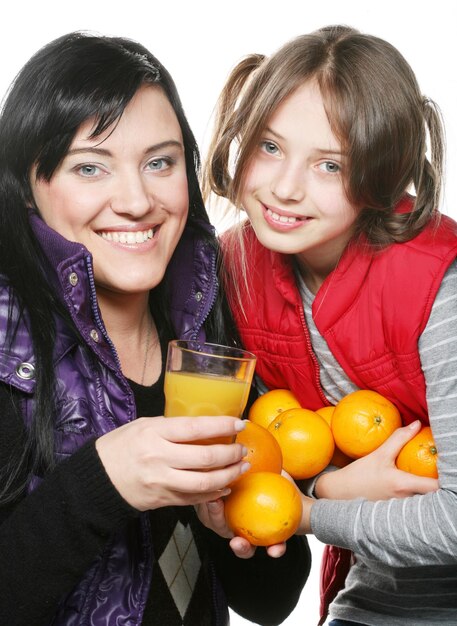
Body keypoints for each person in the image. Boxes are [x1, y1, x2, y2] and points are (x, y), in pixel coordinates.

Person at [0, 32, 311, 626]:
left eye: (159, 163)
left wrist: (229, 522)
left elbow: (269, 602)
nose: (137, 200)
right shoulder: (7, 346)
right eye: (90, 167)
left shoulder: (210, 320)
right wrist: (102, 483)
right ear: (28, 188)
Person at [203, 24, 457, 626]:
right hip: (382, 597)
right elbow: (282, 446)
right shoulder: (234, 269)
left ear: (383, 171)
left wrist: (313, 510)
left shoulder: (440, 288)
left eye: (329, 164)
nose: (285, 189)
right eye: (269, 146)